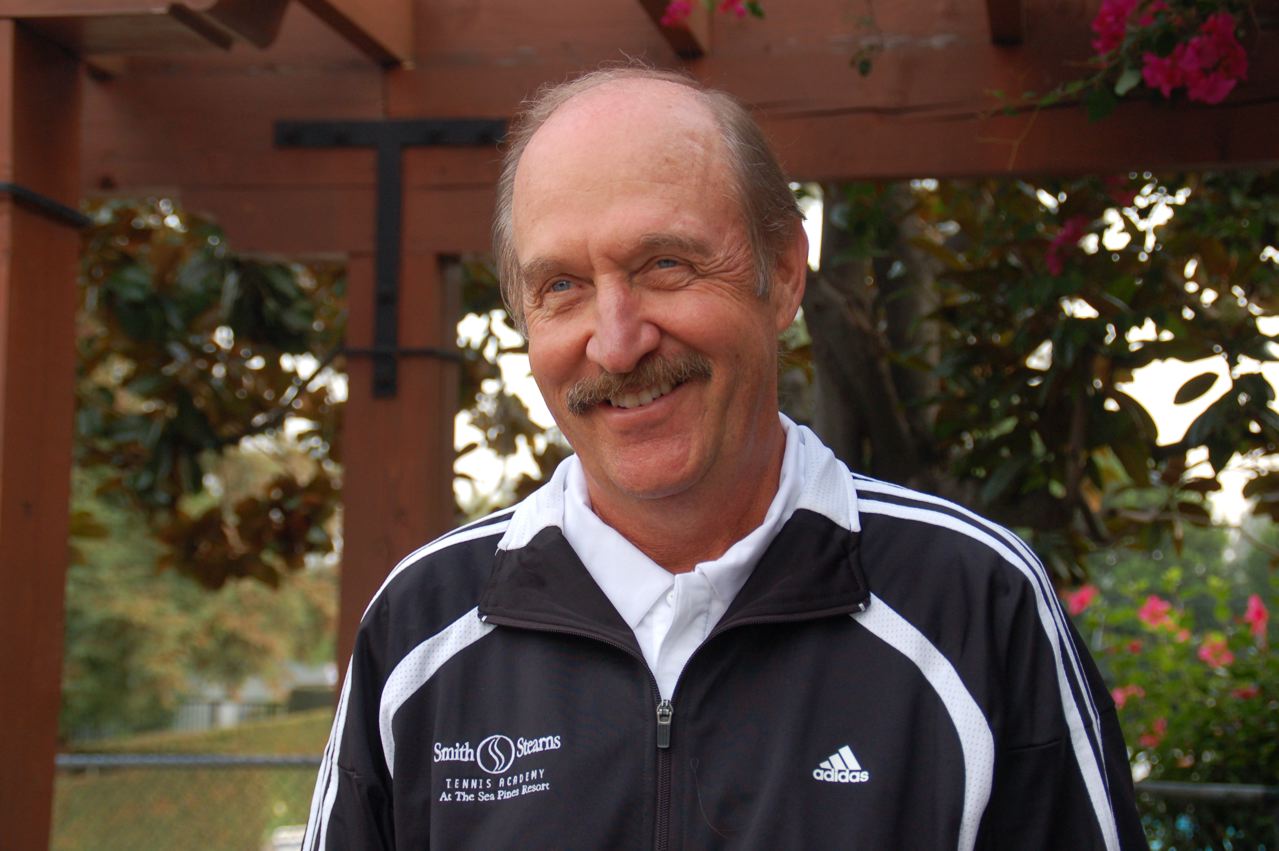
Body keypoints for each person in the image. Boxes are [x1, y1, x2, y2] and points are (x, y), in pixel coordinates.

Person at [303, 67, 1147, 850]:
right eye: (560, 286)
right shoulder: (420, 629)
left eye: (664, 264)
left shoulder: (974, 603)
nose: (616, 342)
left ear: (783, 274)